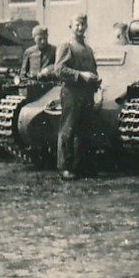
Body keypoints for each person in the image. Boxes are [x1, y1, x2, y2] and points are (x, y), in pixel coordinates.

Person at [54, 14, 100, 180]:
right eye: (77, 24)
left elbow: (93, 70)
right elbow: (59, 70)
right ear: (71, 26)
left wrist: (96, 82)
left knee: (85, 130)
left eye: (83, 24)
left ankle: (82, 166)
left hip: (87, 93)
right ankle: (65, 167)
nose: (81, 27)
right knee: (68, 130)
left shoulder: (87, 48)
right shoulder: (67, 46)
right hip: (72, 93)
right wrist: (81, 75)